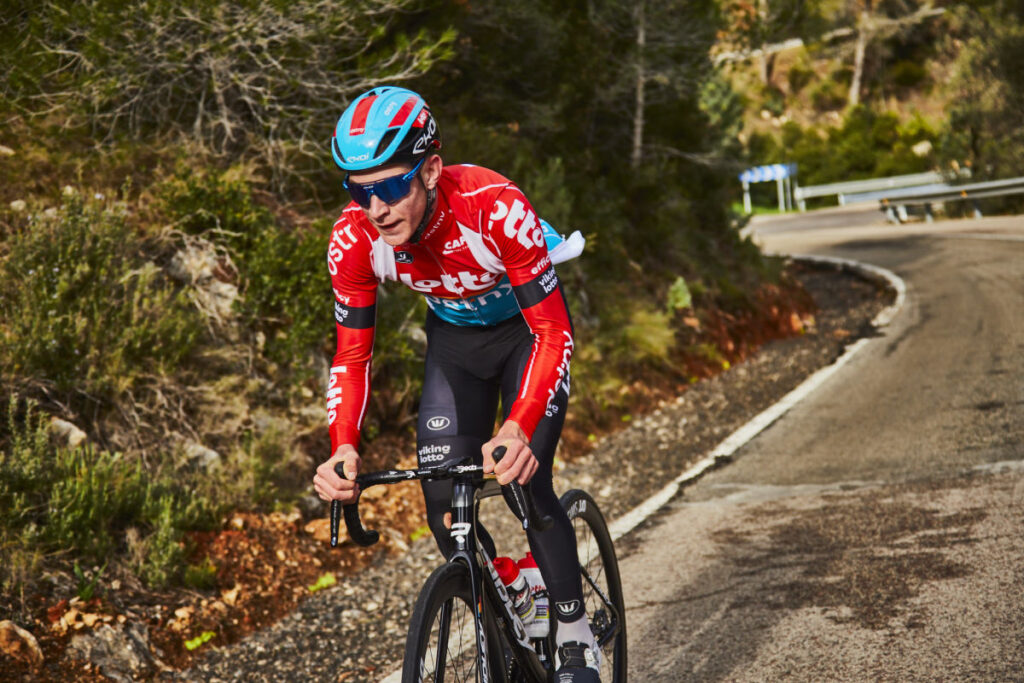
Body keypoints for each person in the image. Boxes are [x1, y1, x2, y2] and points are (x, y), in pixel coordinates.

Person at [312, 86, 600, 680]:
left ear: (432, 169)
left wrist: (518, 426)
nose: (377, 208)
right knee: (442, 504)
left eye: (391, 186)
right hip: (456, 346)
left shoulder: (493, 207)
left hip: (528, 336)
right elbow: (352, 355)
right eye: (358, 190)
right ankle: (514, 590)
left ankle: (574, 634)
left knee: (525, 477)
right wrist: (343, 444)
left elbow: (554, 333)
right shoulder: (353, 240)